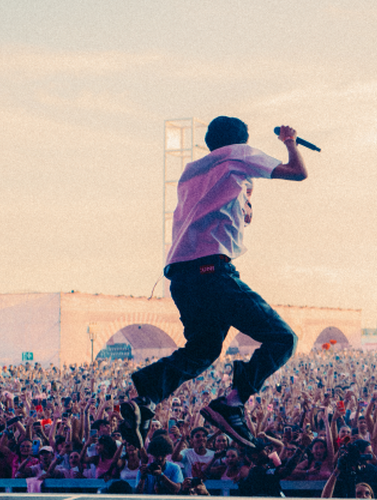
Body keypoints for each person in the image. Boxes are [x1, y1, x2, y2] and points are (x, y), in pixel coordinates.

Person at [119, 117, 309, 450]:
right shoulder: (240, 154)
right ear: (242, 140)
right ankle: (232, 403)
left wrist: (246, 200)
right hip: (213, 273)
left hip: (181, 276)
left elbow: (229, 201)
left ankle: (145, 399)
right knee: (283, 339)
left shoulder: (191, 171)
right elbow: (298, 172)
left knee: (203, 349)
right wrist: (290, 141)